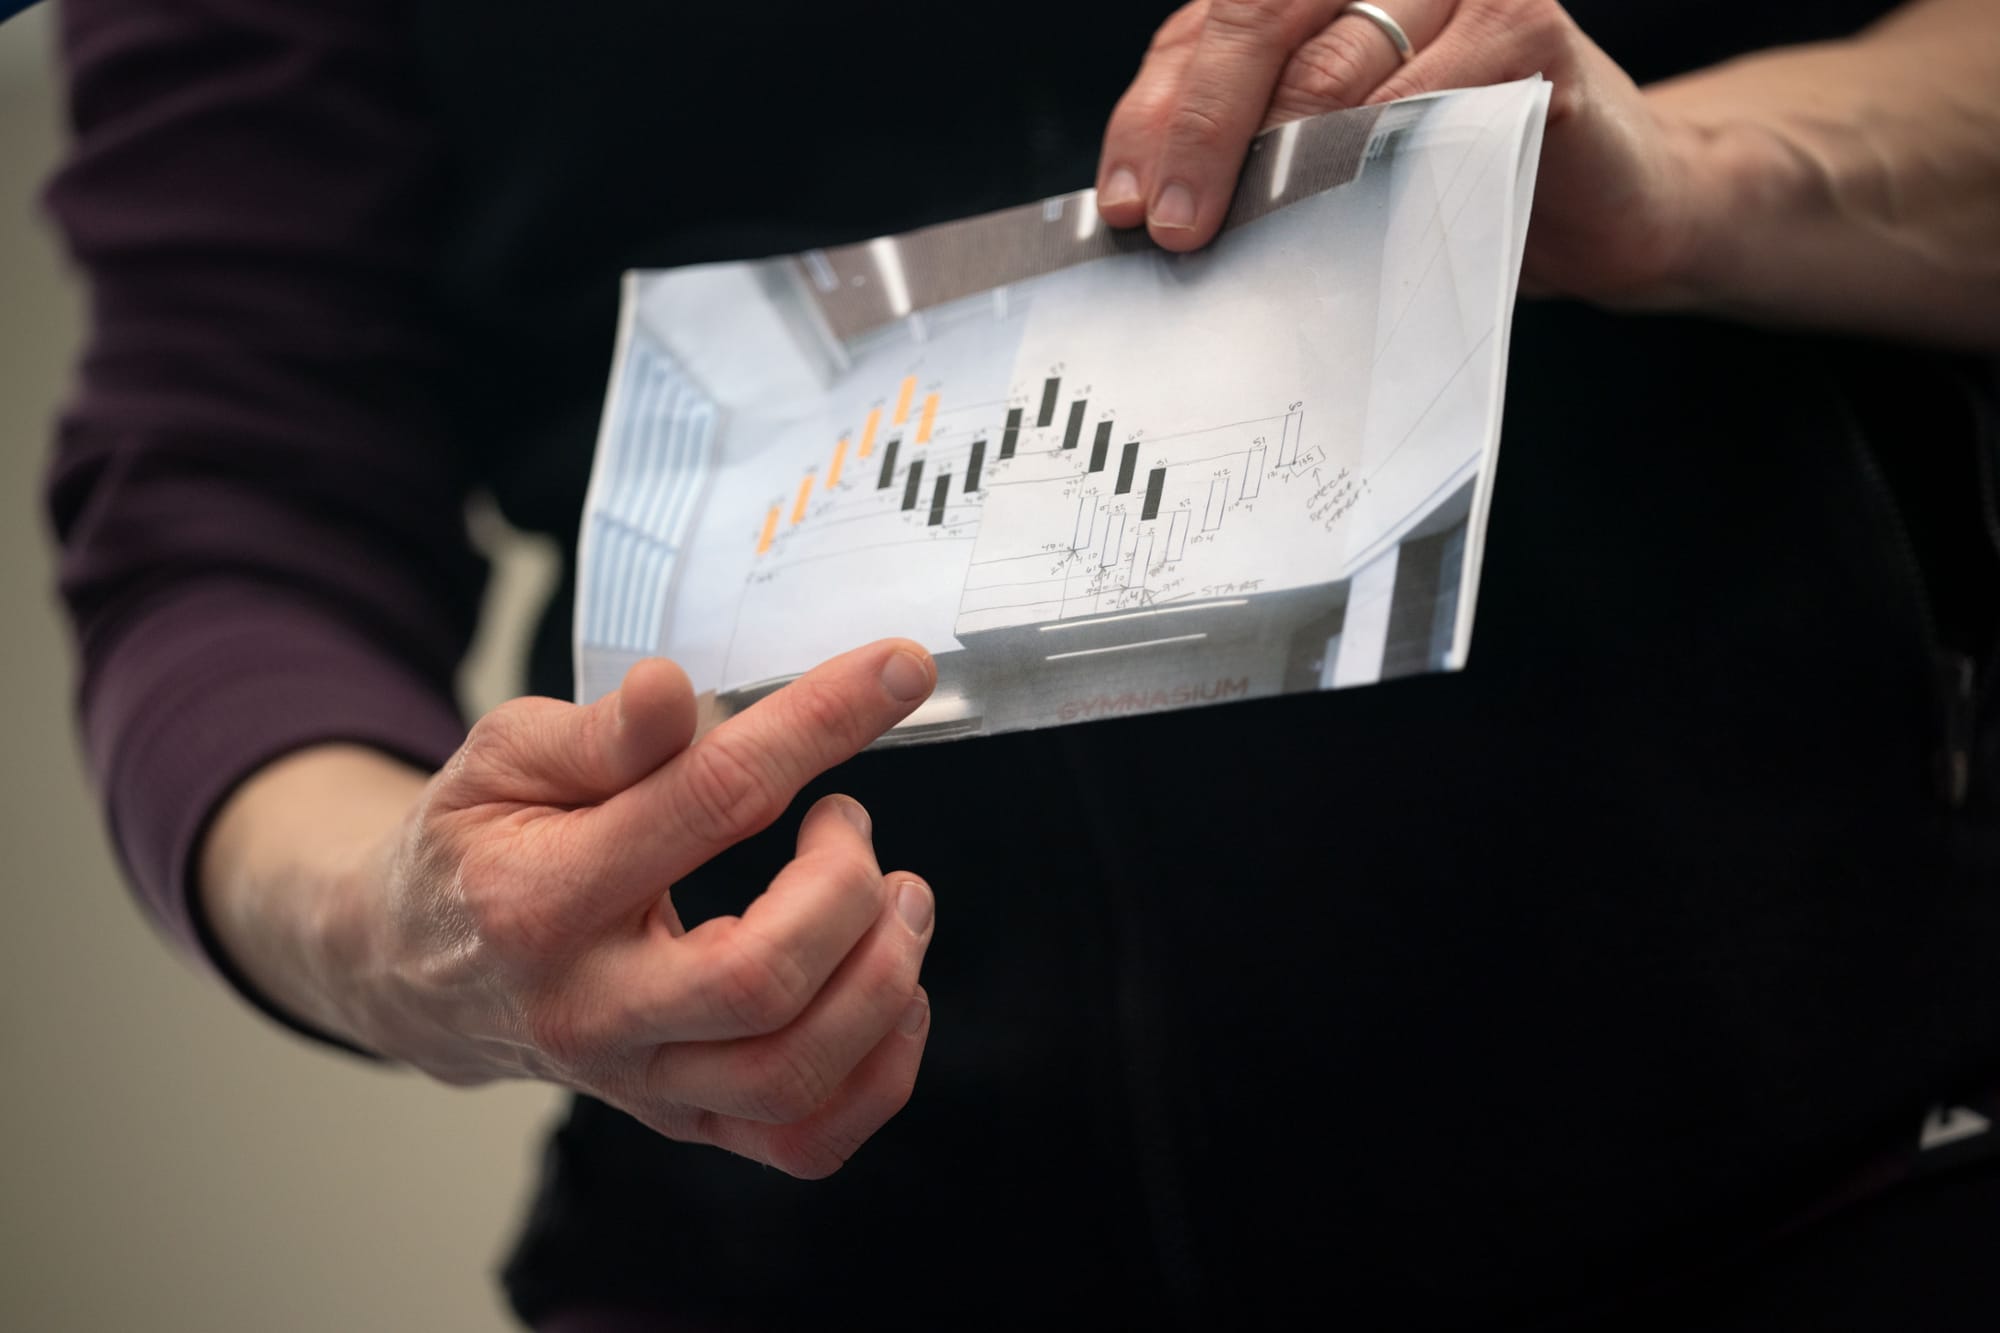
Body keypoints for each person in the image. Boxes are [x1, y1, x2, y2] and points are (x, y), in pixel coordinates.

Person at [43, 0, 2000, 1326]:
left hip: (1813, 1167)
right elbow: (225, 497)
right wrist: (393, 925)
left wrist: (1700, 179)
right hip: (805, 1254)